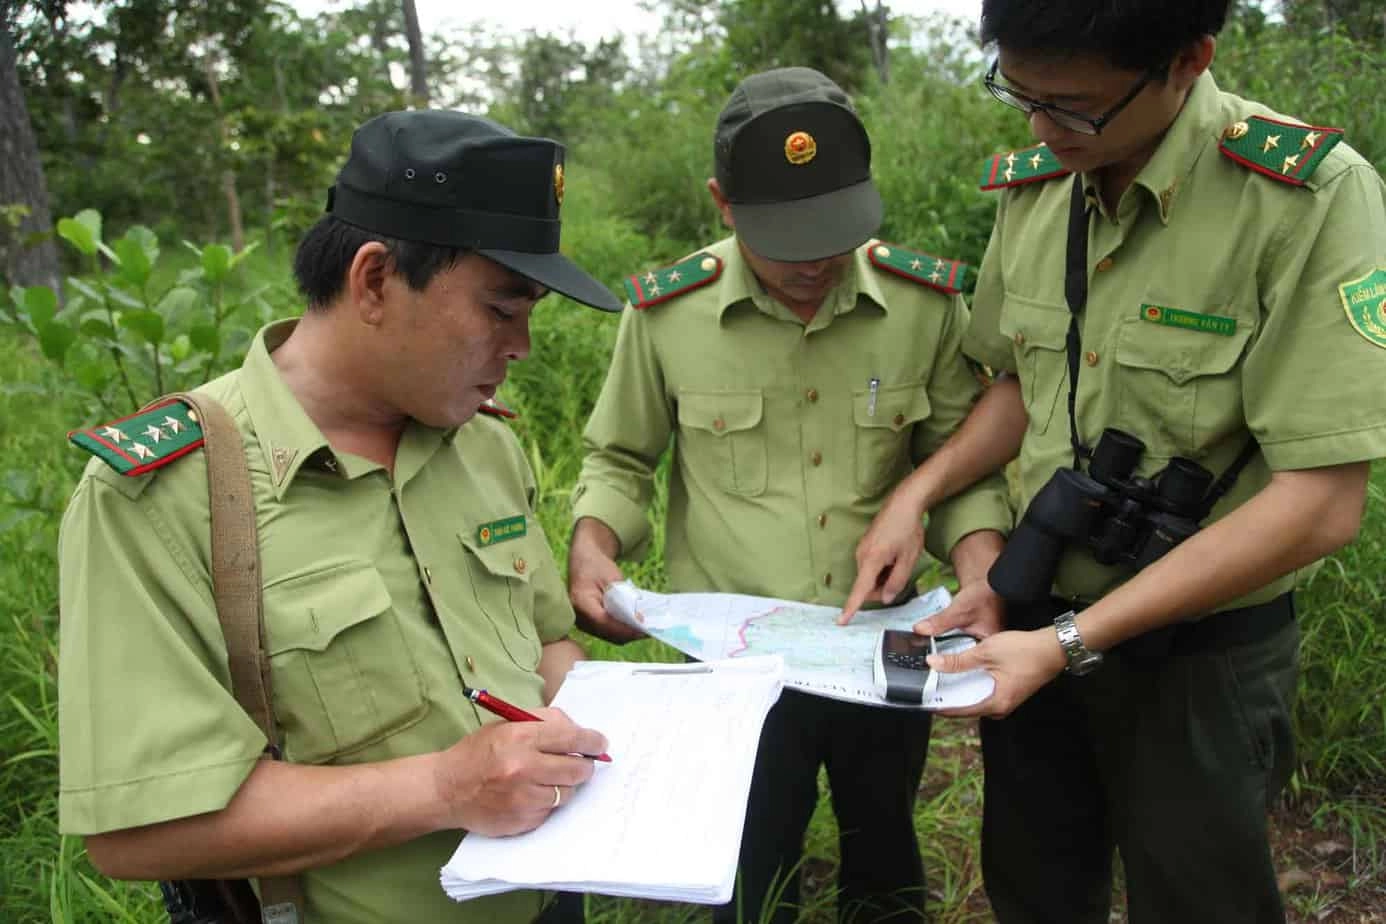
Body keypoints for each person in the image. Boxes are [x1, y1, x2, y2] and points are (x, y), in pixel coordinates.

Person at [847, 3, 1386, 922]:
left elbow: (1320, 504)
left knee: (1198, 894)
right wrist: (919, 492)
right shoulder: (1042, 183)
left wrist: (1068, 646)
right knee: (1036, 882)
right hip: (1031, 613)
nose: (1041, 129)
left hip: (1196, 661)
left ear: (1188, 61)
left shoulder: (1305, 197)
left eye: (1074, 107)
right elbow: (1019, 381)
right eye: (1020, 94)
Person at [57, 110, 621, 924]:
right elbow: (139, 831)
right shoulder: (165, 493)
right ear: (374, 281)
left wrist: (626, 740)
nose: (522, 347)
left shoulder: (481, 445)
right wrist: (443, 788)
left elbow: (545, 641)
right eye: (502, 311)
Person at [567, 67, 1013, 923]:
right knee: (748, 852)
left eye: (833, 232)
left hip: (885, 644)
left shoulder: (922, 306)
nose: (814, 262)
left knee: (883, 841)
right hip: (735, 660)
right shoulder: (668, 315)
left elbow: (962, 465)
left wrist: (978, 564)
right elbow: (619, 456)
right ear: (723, 205)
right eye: (787, 238)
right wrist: (594, 544)